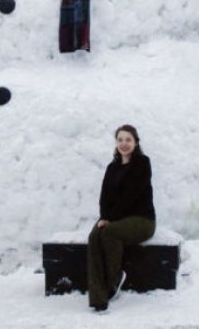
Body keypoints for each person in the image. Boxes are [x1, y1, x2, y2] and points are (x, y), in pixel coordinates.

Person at [87, 124, 156, 312]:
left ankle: (115, 280)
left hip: (142, 220)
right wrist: (104, 216)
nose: (124, 144)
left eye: (128, 140)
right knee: (94, 237)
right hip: (114, 218)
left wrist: (109, 219)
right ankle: (98, 298)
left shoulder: (142, 163)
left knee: (108, 232)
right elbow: (104, 197)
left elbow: (131, 197)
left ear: (135, 143)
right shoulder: (112, 168)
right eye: (120, 140)